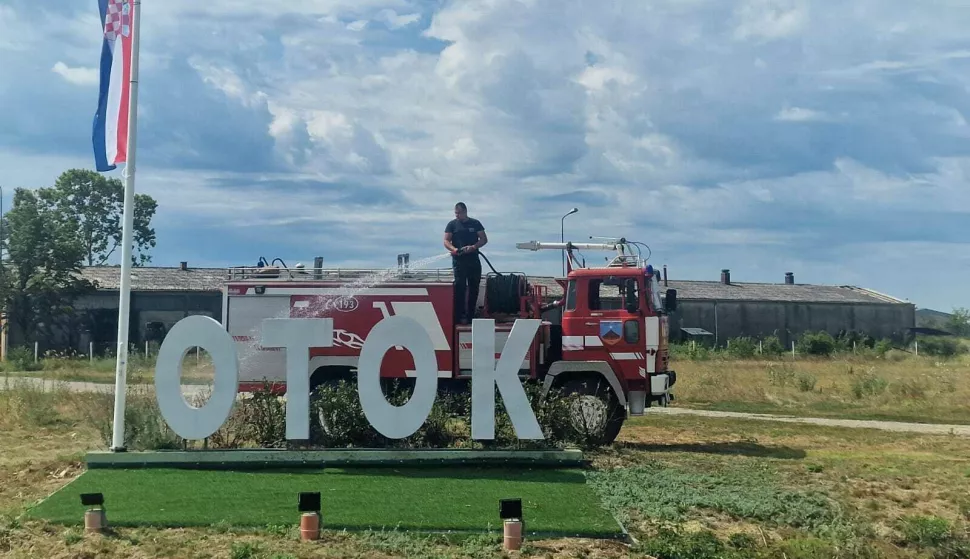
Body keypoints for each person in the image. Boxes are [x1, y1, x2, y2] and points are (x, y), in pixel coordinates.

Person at [444, 202, 487, 324]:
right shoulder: (452, 225)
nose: (457, 215)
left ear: (465, 212)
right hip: (459, 261)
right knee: (460, 287)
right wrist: (454, 249)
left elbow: (484, 239)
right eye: (455, 213)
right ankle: (459, 316)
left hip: (473, 260)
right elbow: (446, 241)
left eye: (459, 213)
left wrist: (473, 247)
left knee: (474, 287)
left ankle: (470, 315)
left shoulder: (475, 223)